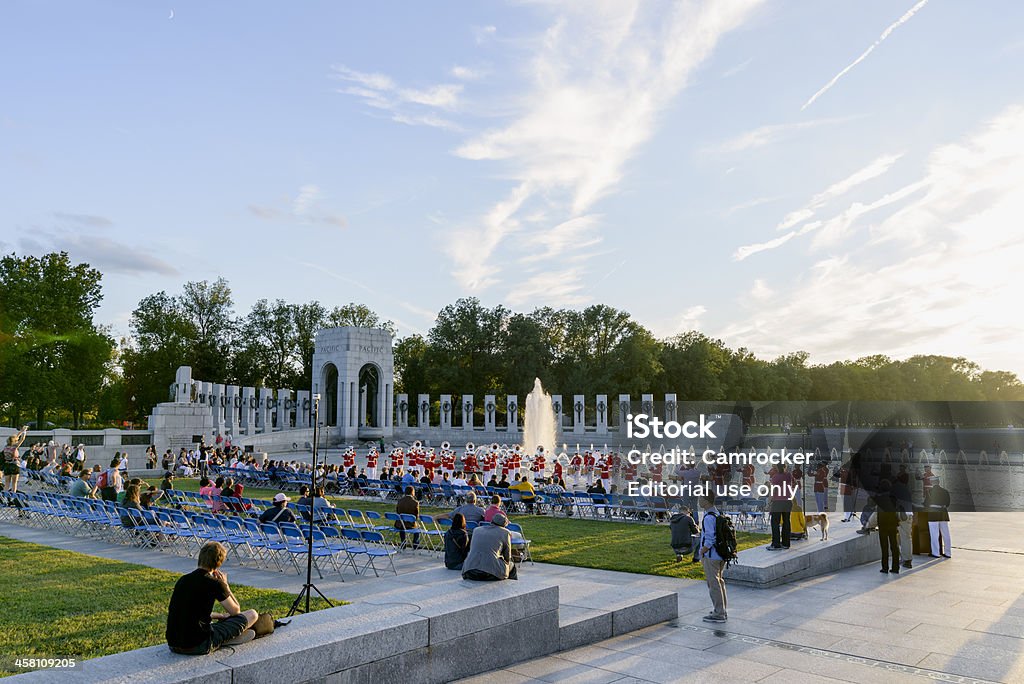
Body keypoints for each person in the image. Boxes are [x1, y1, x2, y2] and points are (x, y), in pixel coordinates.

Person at [166, 541, 258, 654]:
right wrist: (226, 585)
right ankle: (223, 640)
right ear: (218, 564)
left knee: (215, 625)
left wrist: (220, 616)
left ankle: (222, 638)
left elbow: (190, 611)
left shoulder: (183, 580)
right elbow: (236, 611)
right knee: (252, 614)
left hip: (173, 644)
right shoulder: (215, 583)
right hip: (198, 645)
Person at [697, 494, 728, 622]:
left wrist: (701, 551)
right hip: (721, 554)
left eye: (700, 498)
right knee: (720, 582)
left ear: (706, 501)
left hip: (711, 555)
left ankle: (719, 614)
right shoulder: (717, 513)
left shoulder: (709, 518)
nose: (698, 500)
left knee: (713, 584)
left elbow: (709, 539)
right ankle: (721, 610)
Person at [462, 512, 518, 581]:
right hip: (490, 573)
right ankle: (513, 587)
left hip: (469, 570)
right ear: (504, 525)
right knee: (511, 566)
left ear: (491, 521)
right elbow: (507, 556)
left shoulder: (477, 530)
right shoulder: (505, 532)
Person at [872, 480, 901, 574]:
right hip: (892, 524)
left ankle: (885, 568)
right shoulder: (894, 498)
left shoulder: (879, 498)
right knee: (894, 546)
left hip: (883, 524)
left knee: (884, 547)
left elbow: (871, 503)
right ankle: (895, 568)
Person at [766, 464, 793, 550]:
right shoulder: (789, 475)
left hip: (778, 501)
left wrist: (769, 502)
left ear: (777, 468)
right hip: (788, 501)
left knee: (775, 522)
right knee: (786, 522)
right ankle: (786, 543)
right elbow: (794, 484)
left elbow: (773, 490)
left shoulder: (775, 477)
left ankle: (776, 543)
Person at [925, 479, 952, 558]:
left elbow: (926, 503)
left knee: (934, 534)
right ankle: (948, 553)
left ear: (932, 482)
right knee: (946, 533)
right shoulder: (945, 491)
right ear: (939, 482)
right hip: (943, 513)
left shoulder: (930, 491)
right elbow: (948, 503)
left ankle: (935, 553)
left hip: (933, 513)